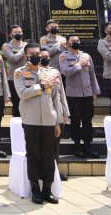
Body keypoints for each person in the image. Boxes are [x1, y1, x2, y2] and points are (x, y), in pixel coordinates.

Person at [14, 43, 63, 205]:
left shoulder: (50, 73)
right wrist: (41, 86)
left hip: (49, 120)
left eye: (38, 53)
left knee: (49, 155)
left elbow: (56, 98)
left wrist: (58, 121)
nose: (36, 56)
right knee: (33, 154)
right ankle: (35, 188)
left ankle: (47, 189)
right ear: (26, 55)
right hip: (31, 120)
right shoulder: (19, 73)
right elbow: (22, 94)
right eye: (32, 53)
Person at [60, 34, 99, 159]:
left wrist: (94, 91)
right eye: (73, 41)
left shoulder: (86, 56)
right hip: (73, 95)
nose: (76, 42)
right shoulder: (64, 57)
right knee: (76, 121)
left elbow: (92, 75)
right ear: (67, 44)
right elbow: (65, 72)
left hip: (87, 94)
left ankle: (88, 146)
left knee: (87, 121)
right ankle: (77, 146)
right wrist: (78, 65)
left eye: (77, 40)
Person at [40, 50, 70, 182]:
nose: (44, 59)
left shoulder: (55, 72)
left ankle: (55, 171)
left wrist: (66, 113)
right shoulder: (34, 73)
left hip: (58, 112)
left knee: (56, 147)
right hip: (43, 113)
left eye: (47, 57)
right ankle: (43, 173)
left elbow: (62, 94)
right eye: (42, 57)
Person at [2, 25, 26, 117]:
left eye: (19, 32)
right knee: (16, 105)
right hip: (13, 78)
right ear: (10, 34)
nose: (18, 34)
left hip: (26, 77)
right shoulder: (6, 46)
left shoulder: (26, 45)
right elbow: (13, 59)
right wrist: (24, 50)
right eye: (15, 32)